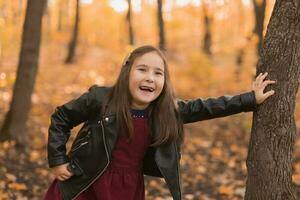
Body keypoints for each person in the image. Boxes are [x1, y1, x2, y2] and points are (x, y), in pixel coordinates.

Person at [44, 45, 276, 200]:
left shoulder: (165, 110)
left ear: (164, 81)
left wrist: (249, 99)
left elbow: (208, 107)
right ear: (127, 73)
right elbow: (62, 117)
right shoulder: (101, 99)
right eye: (142, 69)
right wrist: (57, 159)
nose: (149, 78)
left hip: (127, 188)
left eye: (158, 73)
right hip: (86, 183)